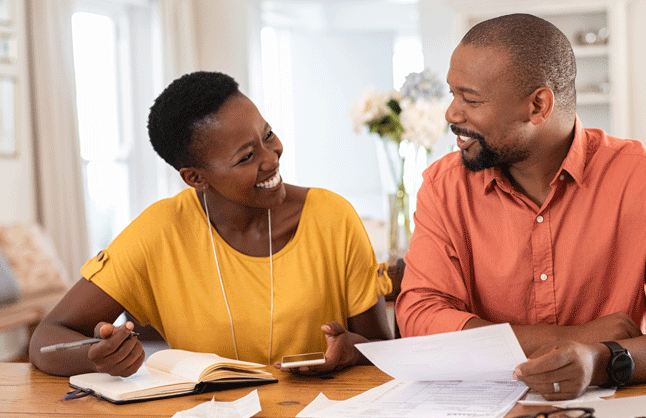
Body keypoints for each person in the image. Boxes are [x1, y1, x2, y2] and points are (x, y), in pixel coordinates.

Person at [395, 14, 646, 400]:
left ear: (539, 105)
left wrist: (600, 360)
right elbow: (419, 316)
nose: (452, 114)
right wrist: (568, 338)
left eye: (471, 99)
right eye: (452, 94)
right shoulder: (444, 187)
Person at [30, 71, 393, 377]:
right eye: (247, 156)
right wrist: (99, 358)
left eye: (267, 135)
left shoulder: (332, 217)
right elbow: (46, 339)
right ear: (195, 178)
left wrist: (350, 351)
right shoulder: (159, 232)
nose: (272, 158)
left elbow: (382, 349)